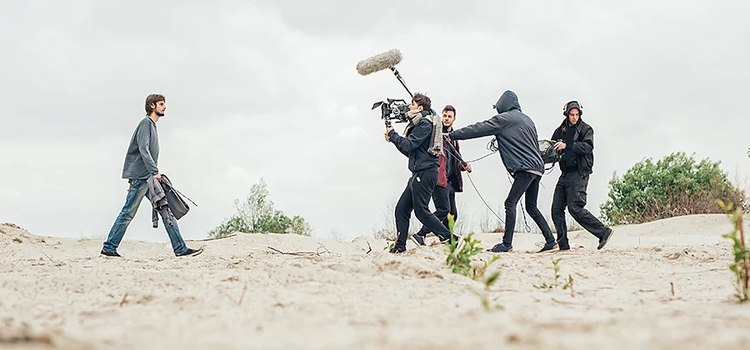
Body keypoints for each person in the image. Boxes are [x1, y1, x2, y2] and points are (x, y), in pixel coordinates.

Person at [448, 90, 557, 253]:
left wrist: (453, 135)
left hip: (524, 169)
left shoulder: (504, 119)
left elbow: (478, 128)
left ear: (503, 105)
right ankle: (551, 241)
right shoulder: (528, 120)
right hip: (538, 168)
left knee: (510, 203)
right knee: (531, 206)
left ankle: (507, 244)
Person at [101, 94, 203, 258]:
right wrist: (153, 172)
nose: (164, 107)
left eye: (164, 104)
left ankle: (180, 248)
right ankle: (109, 247)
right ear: (152, 106)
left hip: (147, 177)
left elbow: (141, 153)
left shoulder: (152, 126)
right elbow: (143, 150)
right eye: (161, 104)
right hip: (144, 178)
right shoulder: (145, 124)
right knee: (128, 212)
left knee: (165, 210)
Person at [385, 93, 457, 253]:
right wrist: (393, 139)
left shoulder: (424, 123)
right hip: (418, 173)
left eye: (412, 104)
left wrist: (393, 134)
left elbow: (409, 145)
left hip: (425, 173)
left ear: (420, 107)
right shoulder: (421, 123)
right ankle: (399, 246)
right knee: (401, 209)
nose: (409, 107)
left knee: (421, 211)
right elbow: (410, 151)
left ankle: (450, 239)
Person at [550, 101, 614, 250]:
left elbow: (588, 147)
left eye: (577, 114)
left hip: (580, 173)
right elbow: (552, 146)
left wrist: (568, 145)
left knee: (575, 207)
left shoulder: (586, 129)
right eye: (572, 114)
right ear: (567, 114)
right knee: (556, 209)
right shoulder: (560, 130)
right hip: (564, 174)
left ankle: (604, 232)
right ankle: (563, 245)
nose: (574, 117)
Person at [411, 105, 471, 246]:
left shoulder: (454, 137)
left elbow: (456, 158)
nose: (446, 118)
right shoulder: (437, 133)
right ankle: (423, 234)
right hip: (438, 177)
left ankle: (442, 236)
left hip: (450, 180)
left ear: (454, 119)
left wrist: (464, 166)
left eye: (449, 116)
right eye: (444, 116)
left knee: (452, 215)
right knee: (443, 210)